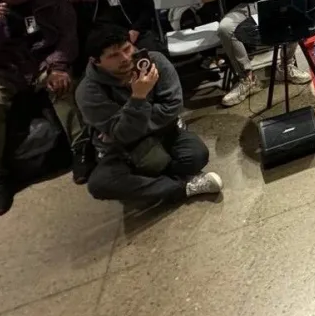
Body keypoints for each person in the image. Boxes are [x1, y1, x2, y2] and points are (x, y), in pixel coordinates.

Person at [0, 0, 79, 216]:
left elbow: (68, 35)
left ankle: (82, 149)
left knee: (64, 87)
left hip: (41, 63)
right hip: (1, 69)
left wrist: (57, 66)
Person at [78, 25, 222, 204]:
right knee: (100, 184)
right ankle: (184, 187)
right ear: (96, 61)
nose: (125, 58)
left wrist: (124, 124)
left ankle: (151, 184)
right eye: (114, 55)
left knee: (197, 155)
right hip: (126, 150)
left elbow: (173, 108)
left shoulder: (155, 61)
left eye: (127, 49)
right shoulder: (88, 91)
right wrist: (138, 97)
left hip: (165, 133)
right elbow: (123, 135)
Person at [202, 0, 311, 107]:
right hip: (240, 8)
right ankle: (247, 77)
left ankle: (285, 66)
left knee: (296, 20)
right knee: (225, 29)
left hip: (267, 3)